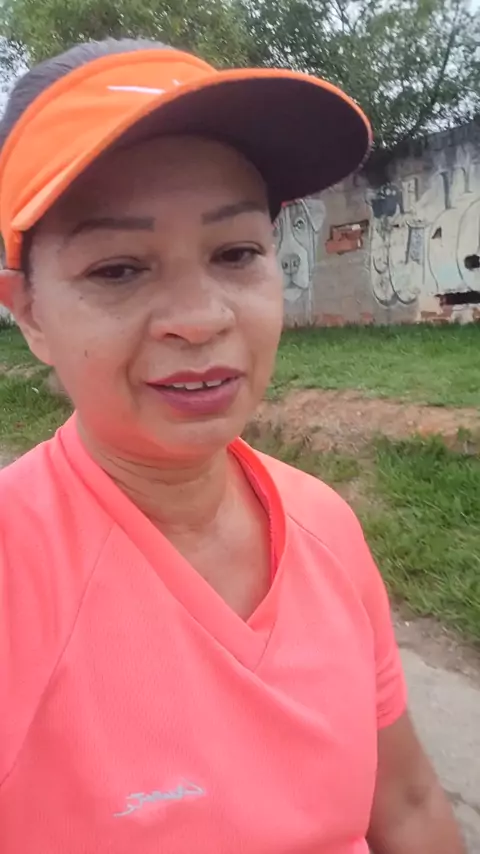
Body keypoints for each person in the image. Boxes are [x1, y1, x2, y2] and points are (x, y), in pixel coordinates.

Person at [0, 37, 464, 854]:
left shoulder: (324, 523)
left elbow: (407, 802)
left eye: (236, 253)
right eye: (118, 269)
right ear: (30, 312)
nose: (202, 318)